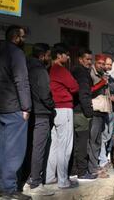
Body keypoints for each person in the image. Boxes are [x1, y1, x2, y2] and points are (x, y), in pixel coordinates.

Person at [0, 25, 32, 200]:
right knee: (15, 151)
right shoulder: (17, 53)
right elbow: (22, 81)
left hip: (1, 107)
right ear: (16, 38)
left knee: (3, 149)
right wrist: (26, 107)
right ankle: (9, 190)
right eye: (22, 37)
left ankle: (3, 187)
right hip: (15, 107)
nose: (24, 40)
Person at [46, 44, 77, 190]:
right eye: (66, 54)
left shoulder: (49, 69)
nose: (68, 57)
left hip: (53, 109)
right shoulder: (60, 69)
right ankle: (63, 181)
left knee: (54, 145)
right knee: (65, 146)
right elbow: (75, 86)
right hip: (64, 108)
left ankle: (50, 177)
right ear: (59, 55)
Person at [24, 43, 55, 196]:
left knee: (31, 148)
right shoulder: (40, 70)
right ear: (42, 55)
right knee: (39, 149)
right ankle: (35, 183)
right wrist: (52, 106)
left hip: (29, 113)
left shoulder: (26, 67)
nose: (50, 59)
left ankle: (29, 179)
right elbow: (45, 93)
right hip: (42, 113)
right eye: (49, 55)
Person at [70, 48, 97, 181]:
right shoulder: (82, 73)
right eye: (87, 59)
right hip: (81, 112)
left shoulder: (75, 71)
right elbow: (84, 93)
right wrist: (88, 112)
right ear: (80, 59)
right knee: (82, 144)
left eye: (91, 59)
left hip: (74, 111)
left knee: (75, 143)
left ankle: (74, 170)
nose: (89, 62)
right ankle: (81, 172)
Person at [88, 54, 112, 179]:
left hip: (103, 111)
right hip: (94, 111)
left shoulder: (103, 75)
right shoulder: (91, 73)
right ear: (95, 62)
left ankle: (96, 166)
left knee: (98, 141)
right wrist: (102, 82)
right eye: (100, 63)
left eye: (104, 64)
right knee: (93, 141)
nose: (102, 66)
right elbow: (90, 90)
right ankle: (92, 169)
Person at [98, 56, 114, 169]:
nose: (109, 66)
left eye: (110, 65)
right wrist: (109, 98)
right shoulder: (98, 77)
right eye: (107, 64)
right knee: (103, 136)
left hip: (112, 110)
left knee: (109, 136)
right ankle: (102, 160)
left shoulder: (111, 78)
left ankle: (106, 157)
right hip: (103, 110)